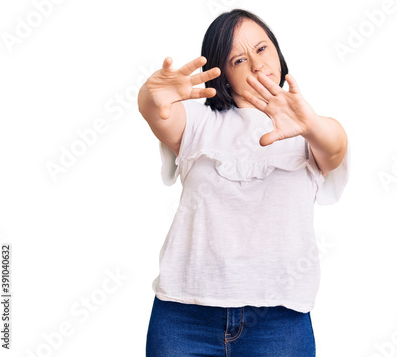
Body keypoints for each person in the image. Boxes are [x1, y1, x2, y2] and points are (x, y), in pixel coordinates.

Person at [138, 8, 350, 357]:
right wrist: (150, 95)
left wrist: (308, 124)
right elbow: (157, 110)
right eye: (239, 59)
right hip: (184, 316)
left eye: (262, 49)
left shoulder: (312, 128)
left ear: (278, 53)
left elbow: (336, 145)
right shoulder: (197, 121)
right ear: (222, 75)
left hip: (279, 321)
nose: (255, 63)